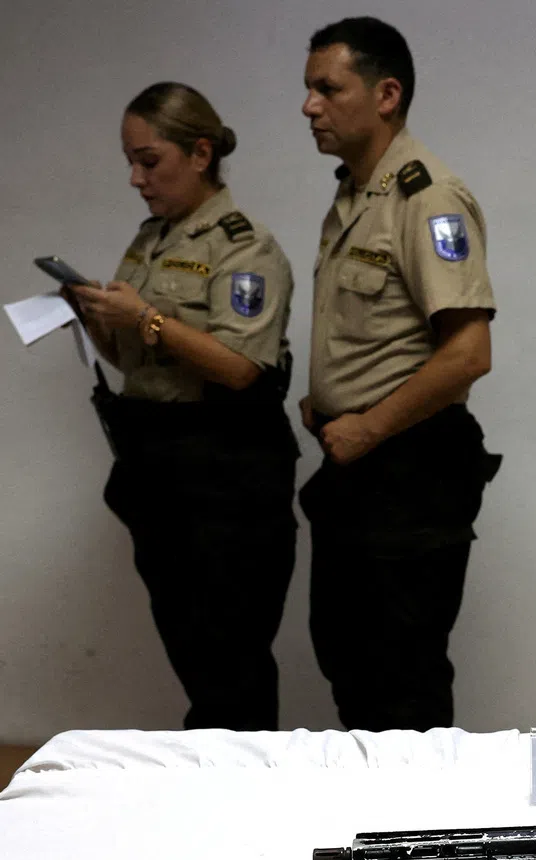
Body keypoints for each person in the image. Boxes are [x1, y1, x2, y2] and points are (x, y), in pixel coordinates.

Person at [71, 82, 298, 730]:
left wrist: (143, 315)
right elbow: (139, 363)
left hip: (227, 475)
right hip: (158, 470)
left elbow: (240, 367)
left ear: (200, 154)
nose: (136, 178)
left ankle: (243, 792)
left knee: (233, 658)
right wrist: (93, 320)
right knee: (194, 650)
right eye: (130, 161)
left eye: (149, 160)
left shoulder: (242, 247)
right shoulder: (150, 239)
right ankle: (209, 784)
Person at [300, 18, 500, 731]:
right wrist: (326, 398)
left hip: (407, 469)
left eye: (328, 88)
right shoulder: (355, 197)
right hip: (356, 466)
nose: (309, 106)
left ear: (386, 94)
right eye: (308, 90)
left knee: (402, 681)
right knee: (350, 662)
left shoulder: (427, 198)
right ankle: (368, 830)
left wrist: (367, 425)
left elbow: (467, 354)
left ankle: (417, 838)